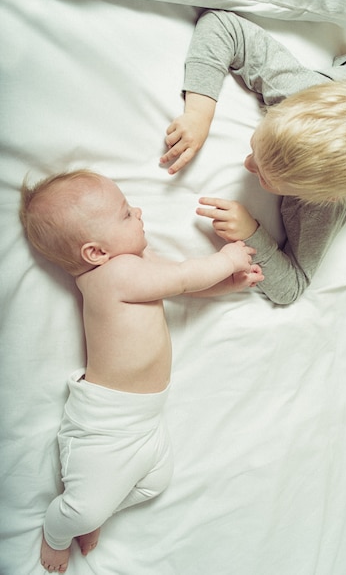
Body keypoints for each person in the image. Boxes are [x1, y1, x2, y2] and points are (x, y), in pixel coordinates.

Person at [19, 169, 262, 573]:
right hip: (108, 425)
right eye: (125, 214)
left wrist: (228, 284)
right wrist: (225, 259)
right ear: (95, 253)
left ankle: (98, 510)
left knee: (155, 482)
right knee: (81, 509)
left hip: (145, 420)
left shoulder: (134, 265)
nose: (139, 211)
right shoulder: (113, 275)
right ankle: (59, 530)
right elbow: (184, 277)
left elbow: (181, 283)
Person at [160, 0, 346, 305]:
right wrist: (199, 112)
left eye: (265, 177)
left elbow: (291, 287)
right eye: (257, 149)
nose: (248, 165)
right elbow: (224, 25)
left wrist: (252, 234)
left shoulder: (323, 208)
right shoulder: (298, 91)